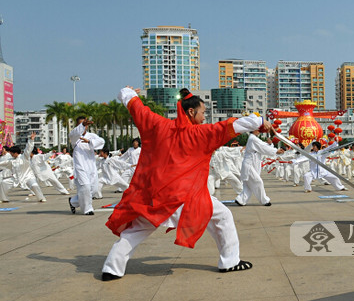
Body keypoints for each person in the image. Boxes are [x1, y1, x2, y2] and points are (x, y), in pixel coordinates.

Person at [102, 86, 273, 281]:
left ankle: (112, 268)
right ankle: (229, 261)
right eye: (202, 113)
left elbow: (137, 109)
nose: (204, 117)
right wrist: (259, 121)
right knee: (223, 216)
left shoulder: (159, 125)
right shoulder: (200, 134)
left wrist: (127, 92)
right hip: (183, 196)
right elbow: (229, 126)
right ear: (191, 112)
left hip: (154, 195)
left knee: (137, 229)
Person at [235, 129, 283, 206]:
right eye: (257, 129)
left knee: (248, 185)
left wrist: (270, 145)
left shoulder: (254, 139)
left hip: (252, 165)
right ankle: (264, 200)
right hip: (249, 165)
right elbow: (262, 147)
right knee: (258, 182)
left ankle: (241, 200)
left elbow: (262, 146)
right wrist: (275, 151)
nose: (259, 131)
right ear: (253, 130)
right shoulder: (253, 139)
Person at [68, 117, 105, 215]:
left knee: (93, 189)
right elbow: (73, 134)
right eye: (81, 124)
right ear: (78, 125)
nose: (84, 126)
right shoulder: (74, 137)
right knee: (85, 187)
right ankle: (87, 209)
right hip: (80, 167)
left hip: (91, 166)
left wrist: (89, 142)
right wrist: (82, 125)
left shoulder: (91, 136)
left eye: (85, 124)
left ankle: (73, 201)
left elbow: (101, 141)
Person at [0, 132, 47, 202]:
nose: (11, 155)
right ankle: (4, 199)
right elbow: (2, 163)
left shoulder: (24, 157)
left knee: (34, 185)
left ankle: (41, 198)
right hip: (16, 178)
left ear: (16, 153)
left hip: (28, 177)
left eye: (12, 153)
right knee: (3, 183)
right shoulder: (11, 161)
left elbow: (28, 149)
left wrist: (31, 140)